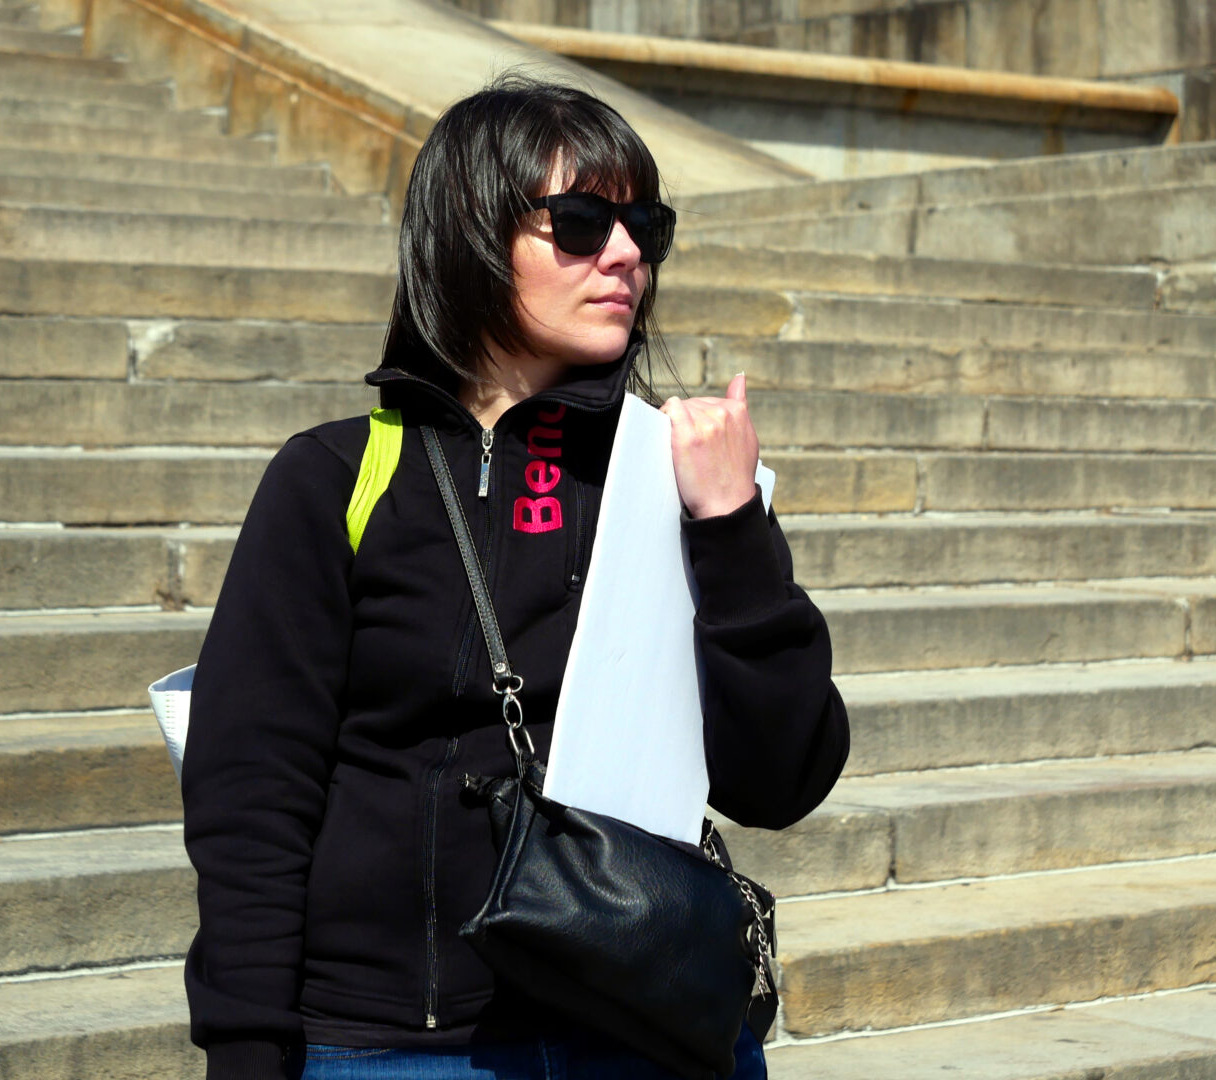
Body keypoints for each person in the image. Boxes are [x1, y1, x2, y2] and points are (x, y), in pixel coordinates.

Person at [179, 75, 850, 1080]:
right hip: (392, 1045)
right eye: (579, 223)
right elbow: (251, 795)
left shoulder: (674, 477)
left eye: (643, 226)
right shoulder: (332, 480)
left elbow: (783, 778)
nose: (624, 255)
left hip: (639, 1024)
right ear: (472, 234)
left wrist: (733, 525)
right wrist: (246, 1048)